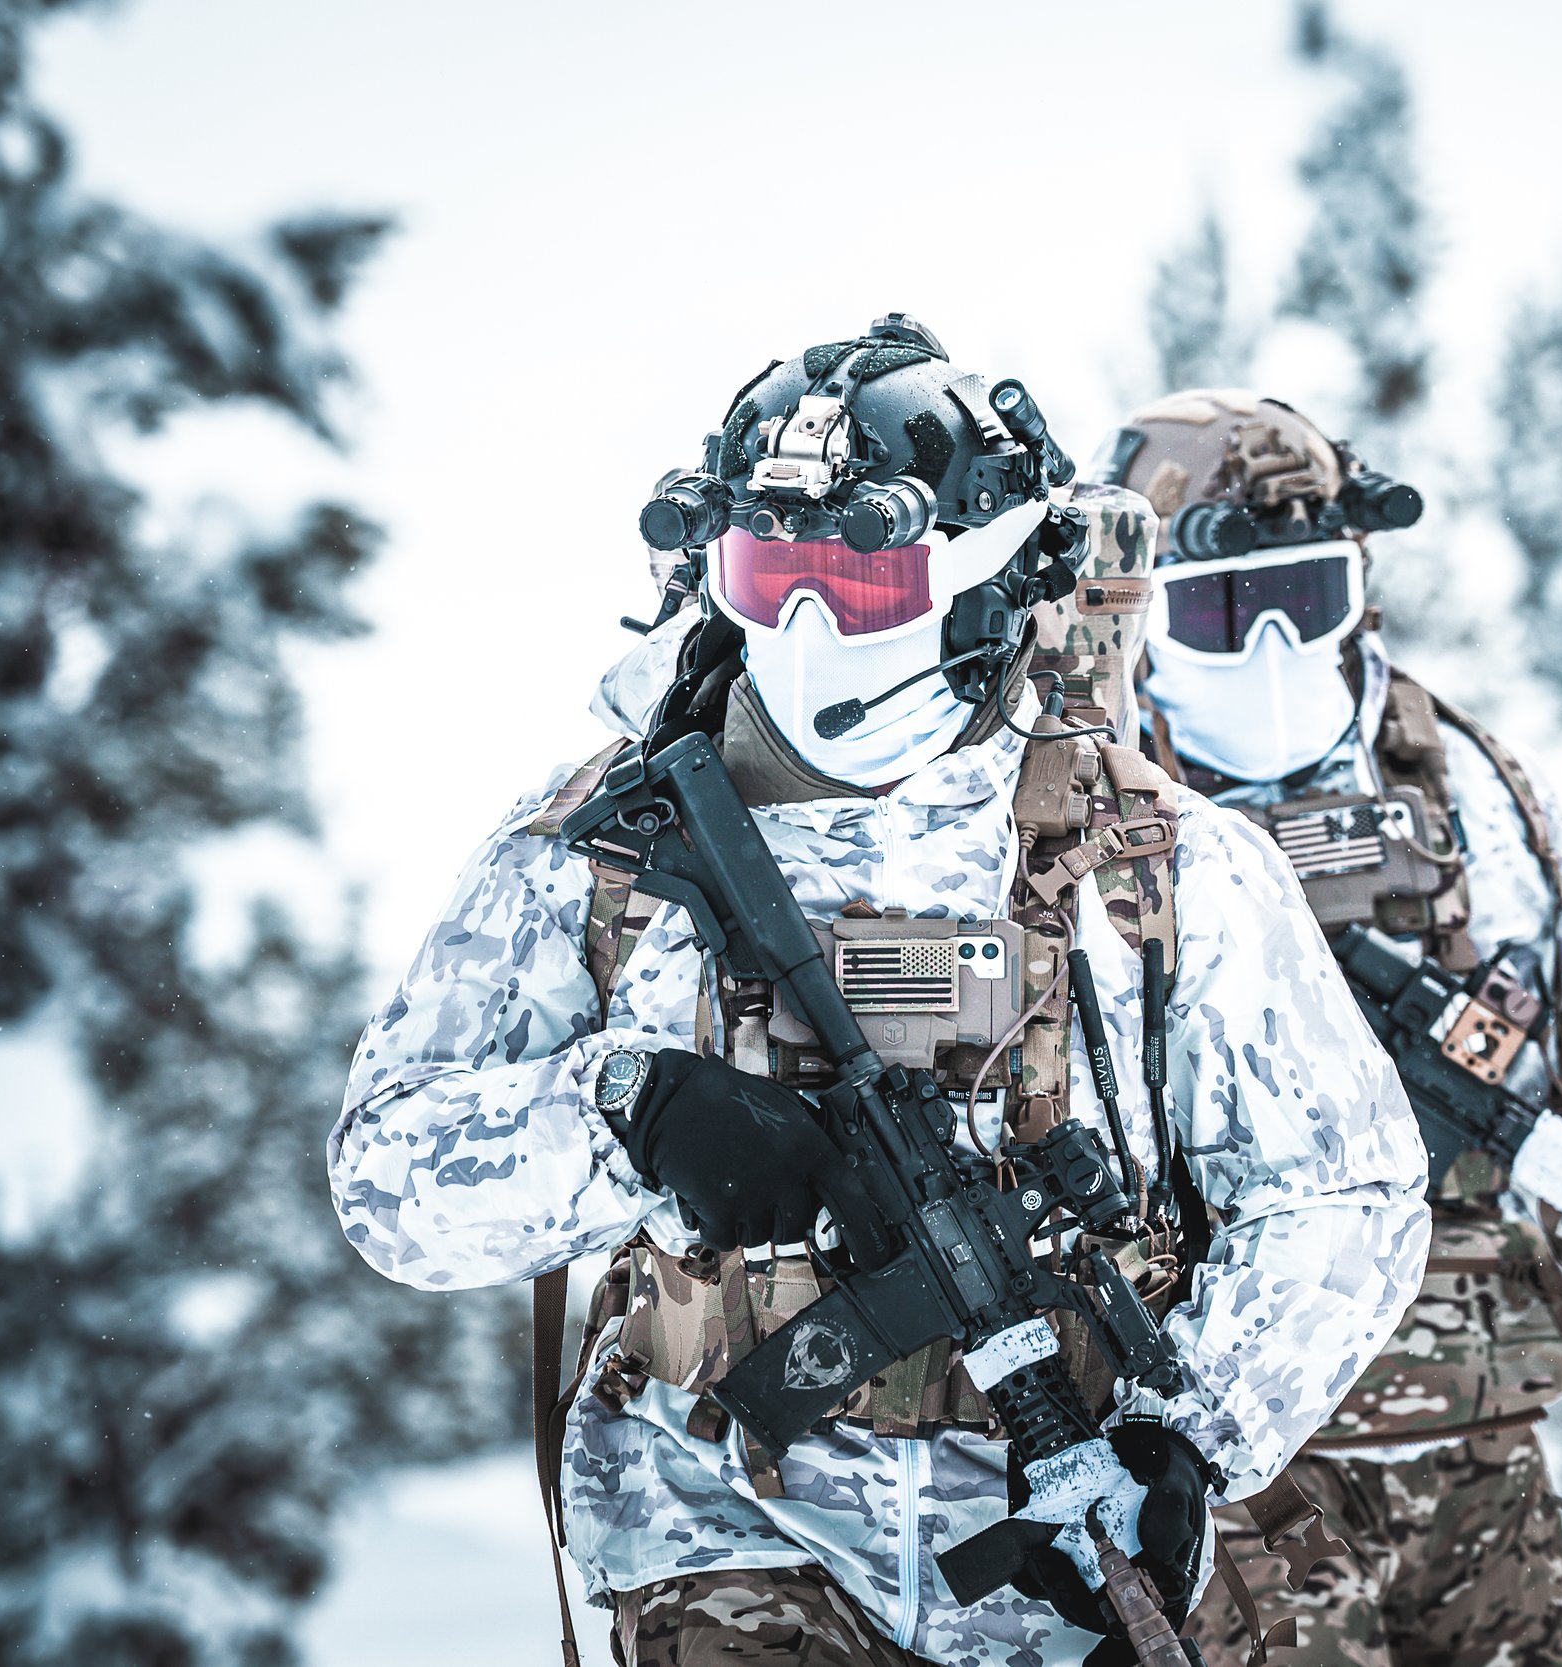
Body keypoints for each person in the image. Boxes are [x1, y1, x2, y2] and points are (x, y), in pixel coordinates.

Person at [328, 324, 1431, 1667]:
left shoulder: (1156, 857)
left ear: (982, 579)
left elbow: (1344, 1189)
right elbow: (389, 1183)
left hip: (1052, 1549)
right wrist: (624, 1117)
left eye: (856, 575)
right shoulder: (598, 848)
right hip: (722, 1532)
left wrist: (1192, 1426)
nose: (805, 625)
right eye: (770, 570)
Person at [1103, 391, 1562, 1667]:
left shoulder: (1474, 790)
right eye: (1227, 606)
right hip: (1240, 1472)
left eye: (1309, 595)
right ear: (1141, 610)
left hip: (1476, 1437)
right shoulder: (1087, 813)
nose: (1274, 646)